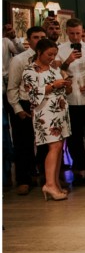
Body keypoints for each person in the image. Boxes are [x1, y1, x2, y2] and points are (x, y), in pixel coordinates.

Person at [22, 38, 72, 201]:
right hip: (45, 113)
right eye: (49, 54)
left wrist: (66, 86)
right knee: (54, 146)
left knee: (59, 146)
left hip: (59, 111)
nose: (52, 57)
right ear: (39, 52)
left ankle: (55, 182)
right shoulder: (30, 71)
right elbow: (32, 95)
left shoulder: (53, 69)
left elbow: (60, 87)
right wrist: (53, 86)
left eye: (54, 55)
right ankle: (49, 184)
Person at [55, 18, 85, 184]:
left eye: (78, 33)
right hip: (70, 98)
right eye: (72, 33)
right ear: (67, 32)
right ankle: (79, 169)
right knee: (75, 137)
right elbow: (55, 72)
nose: (75, 37)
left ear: (83, 33)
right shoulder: (60, 49)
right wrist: (68, 61)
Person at [7, 26, 47, 195]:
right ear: (29, 40)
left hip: (45, 103)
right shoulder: (19, 59)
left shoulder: (50, 57)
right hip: (24, 104)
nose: (39, 40)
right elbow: (12, 87)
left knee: (45, 142)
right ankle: (24, 179)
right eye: (36, 37)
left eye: (42, 37)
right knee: (23, 143)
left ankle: (47, 176)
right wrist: (17, 108)